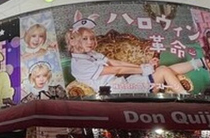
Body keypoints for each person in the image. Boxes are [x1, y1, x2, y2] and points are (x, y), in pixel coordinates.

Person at [65, 18, 199, 94]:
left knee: (163, 70)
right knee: (163, 70)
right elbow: (117, 70)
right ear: (75, 41)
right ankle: (186, 96)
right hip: (116, 92)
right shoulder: (79, 64)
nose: (91, 42)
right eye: (85, 39)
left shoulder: (91, 54)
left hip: (122, 85)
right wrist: (144, 69)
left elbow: (115, 63)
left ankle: (200, 63)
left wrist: (143, 67)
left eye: (92, 38)